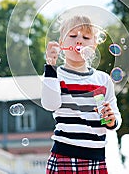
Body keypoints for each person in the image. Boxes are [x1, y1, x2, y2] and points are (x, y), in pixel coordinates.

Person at [41, 15, 122, 174]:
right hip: (64, 154)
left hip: (97, 158)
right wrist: (50, 66)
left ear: (94, 46)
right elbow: (50, 104)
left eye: (85, 37)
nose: (79, 41)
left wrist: (112, 120)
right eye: (72, 36)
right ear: (62, 43)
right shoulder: (55, 76)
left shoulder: (102, 80)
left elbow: (114, 116)